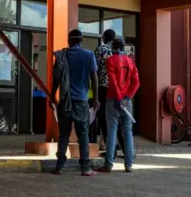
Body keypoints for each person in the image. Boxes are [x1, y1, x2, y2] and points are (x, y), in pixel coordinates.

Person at [50, 29, 99, 176]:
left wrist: (52, 97)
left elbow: (56, 80)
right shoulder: (89, 55)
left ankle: (59, 166)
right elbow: (94, 79)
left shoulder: (61, 55)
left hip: (65, 101)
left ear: (69, 41)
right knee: (83, 135)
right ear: (81, 40)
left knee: (63, 134)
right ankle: (85, 168)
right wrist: (95, 99)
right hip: (81, 102)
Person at [97, 37, 140, 173]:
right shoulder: (130, 61)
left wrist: (118, 97)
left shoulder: (110, 61)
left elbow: (113, 81)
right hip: (127, 102)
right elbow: (136, 82)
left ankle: (108, 164)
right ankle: (128, 164)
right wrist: (127, 97)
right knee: (127, 132)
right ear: (123, 47)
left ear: (112, 47)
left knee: (112, 132)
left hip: (113, 100)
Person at [94, 29, 125, 158]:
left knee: (104, 118)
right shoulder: (121, 52)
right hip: (119, 89)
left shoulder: (100, 50)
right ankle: (125, 149)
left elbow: (94, 69)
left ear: (104, 38)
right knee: (118, 119)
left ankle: (110, 150)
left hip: (103, 88)